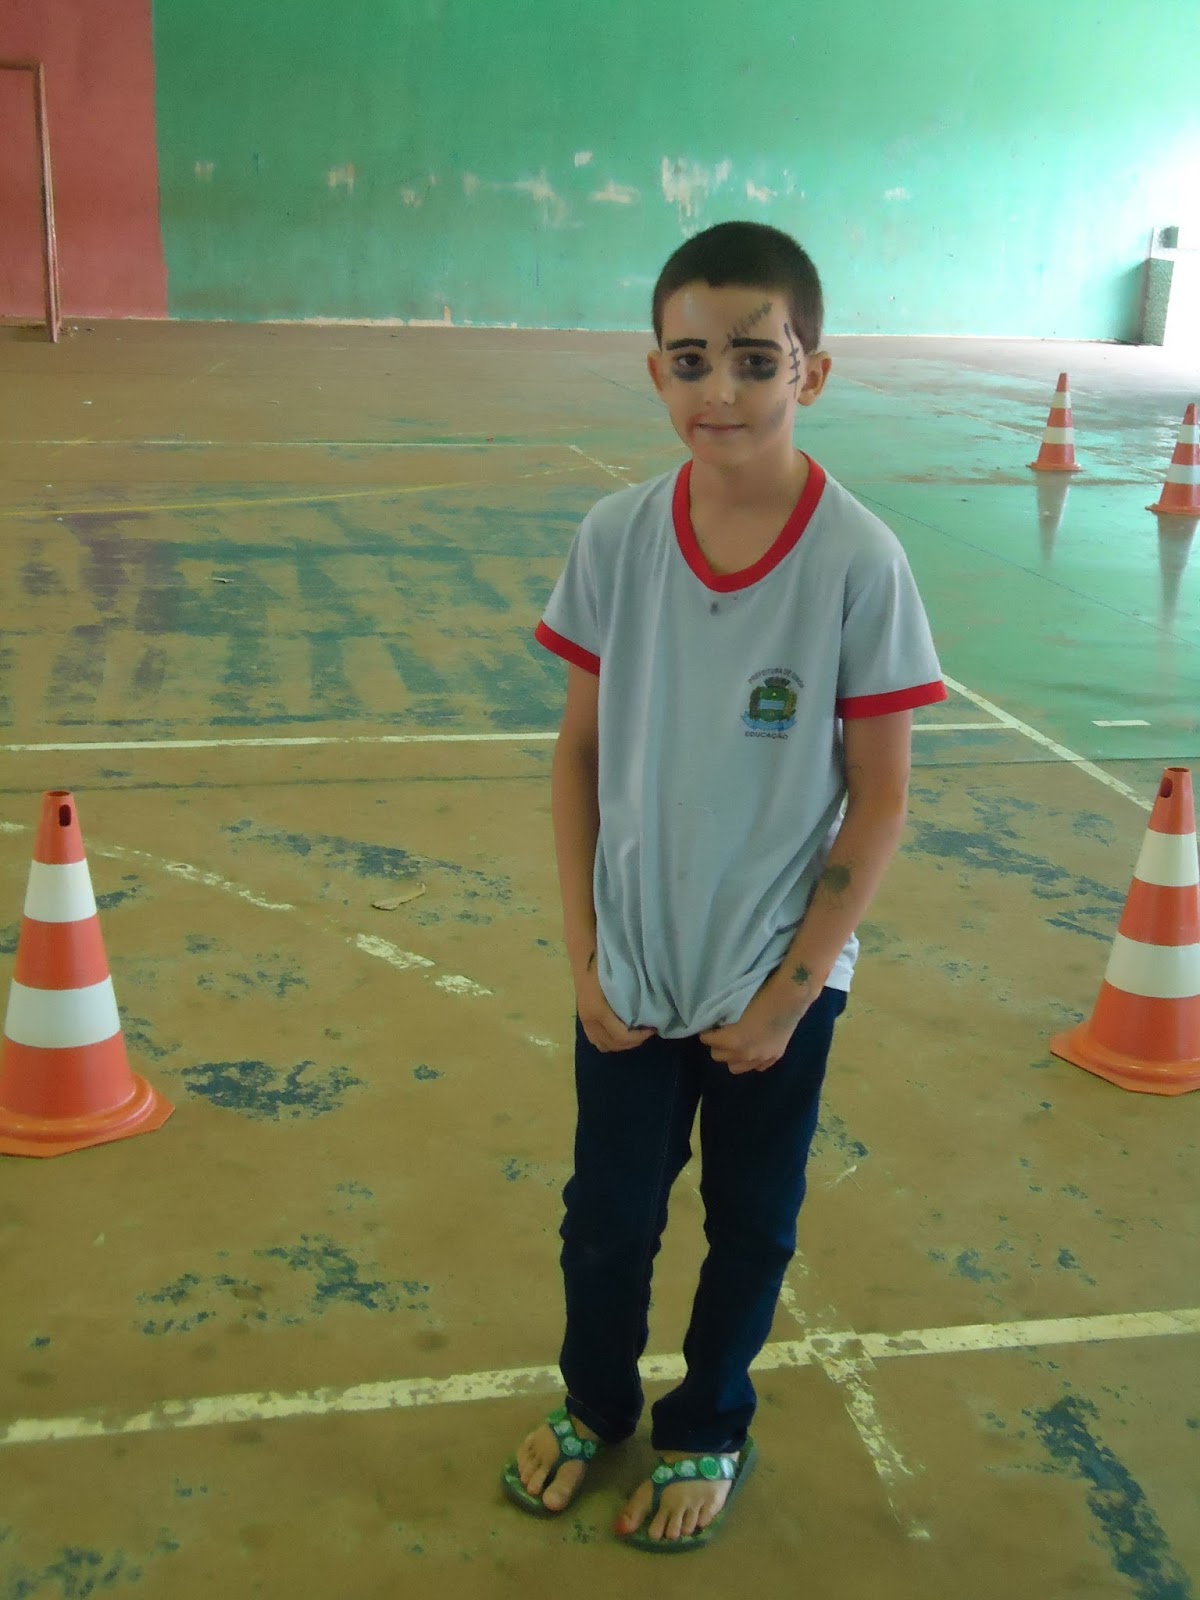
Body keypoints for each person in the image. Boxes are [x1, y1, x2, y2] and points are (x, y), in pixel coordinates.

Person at [501, 220, 946, 1550]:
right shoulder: (615, 538)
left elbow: (880, 798)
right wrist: (584, 954)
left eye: (757, 360)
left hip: (772, 976)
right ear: (656, 372)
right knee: (606, 1221)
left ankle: (711, 1420)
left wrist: (789, 996)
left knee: (751, 1221)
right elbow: (579, 754)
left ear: (814, 370)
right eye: (691, 361)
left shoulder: (859, 561)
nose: (723, 391)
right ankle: (595, 1401)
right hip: (633, 965)